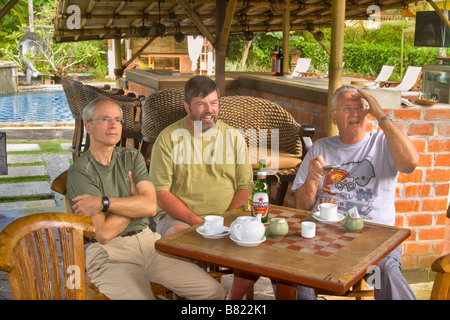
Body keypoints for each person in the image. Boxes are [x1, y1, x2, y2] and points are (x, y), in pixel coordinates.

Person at [67, 97, 225, 300]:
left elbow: (150, 206)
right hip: (111, 253)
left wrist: (104, 202)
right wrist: (134, 199)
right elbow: (104, 233)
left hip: (150, 244)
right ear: (88, 126)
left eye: (118, 119)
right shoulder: (80, 173)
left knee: (212, 292)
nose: (114, 125)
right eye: (105, 119)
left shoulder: (131, 156)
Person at [291, 85, 420, 300]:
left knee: (385, 273)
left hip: (371, 252)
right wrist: (313, 179)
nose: (356, 113)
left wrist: (380, 114)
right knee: (292, 272)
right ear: (334, 116)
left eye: (361, 107)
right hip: (324, 246)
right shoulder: (321, 148)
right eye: (347, 108)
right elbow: (302, 207)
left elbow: (410, 164)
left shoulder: (383, 143)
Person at [149, 75, 254, 299]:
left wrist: (226, 220)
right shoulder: (168, 138)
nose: (209, 110)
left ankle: (231, 301)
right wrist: (198, 223)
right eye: (201, 104)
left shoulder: (233, 137)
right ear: (187, 106)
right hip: (181, 219)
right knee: (181, 242)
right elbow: (161, 193)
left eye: (214, 103)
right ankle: (194, 295)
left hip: (227, 216)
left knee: (253, 242)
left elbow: (244, 186)